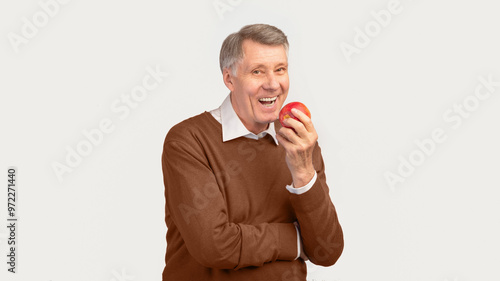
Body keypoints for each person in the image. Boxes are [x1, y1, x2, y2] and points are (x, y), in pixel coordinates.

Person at [161, 23, 343, 280]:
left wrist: (303, 171)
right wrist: (299, 242)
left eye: (280, 70)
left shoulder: (299, 141)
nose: (272, 84)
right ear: (229, 78)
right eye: (257, 71)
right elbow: (215, 246)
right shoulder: (188, 141)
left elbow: (327, 251)